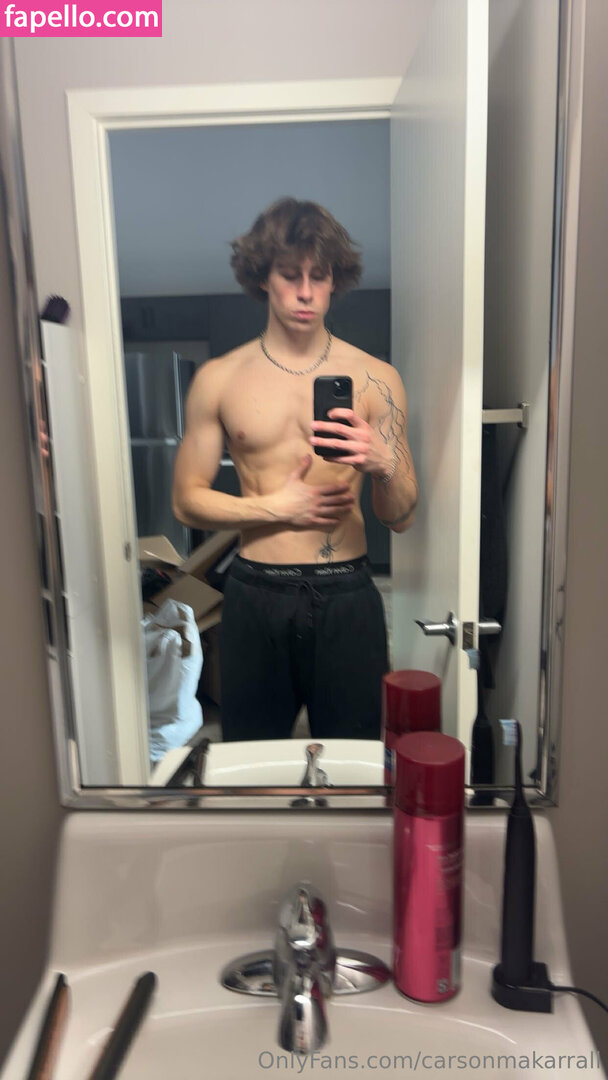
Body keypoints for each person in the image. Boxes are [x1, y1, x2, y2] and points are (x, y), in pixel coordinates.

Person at [172, 197, 418, 742]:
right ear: (264, 277)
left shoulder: (377, 379)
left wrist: (384, 464)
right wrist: (272, 508)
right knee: (252, 763)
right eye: (290, 275)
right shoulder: (220, 378)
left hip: (348, 594)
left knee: (354, 763)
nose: (305, 292)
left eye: (319, 276)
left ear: (334, 280)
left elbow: (401, 517)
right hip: (254, 594)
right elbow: (186, 500)